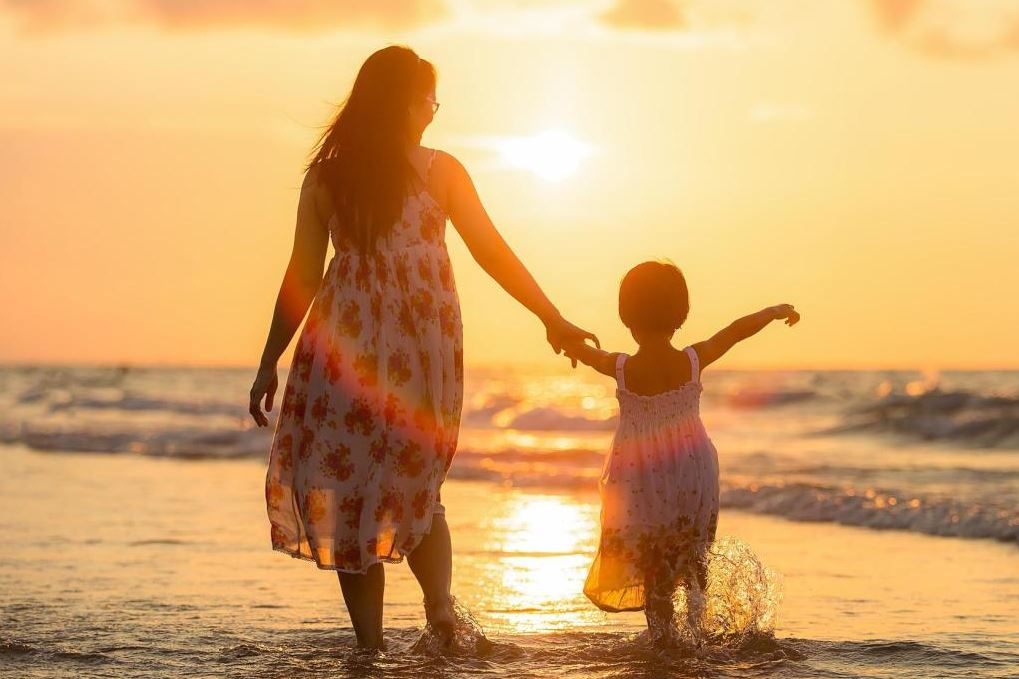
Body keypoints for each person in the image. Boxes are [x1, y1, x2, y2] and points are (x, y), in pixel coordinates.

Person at [248, 45, 597, 650]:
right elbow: (491, 250)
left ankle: (370, 647)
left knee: (350, 492)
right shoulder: (439, 171)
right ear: (406, 102)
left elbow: (302, 275)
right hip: (421, 350)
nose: (434, 111)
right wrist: (551, 318)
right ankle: (439, 614)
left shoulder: (328, 176)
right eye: (430, 99)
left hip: (343, 351)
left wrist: (269, 360)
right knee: (416, 482)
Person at [563, 260, 799, 642]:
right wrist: (773, 311)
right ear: (681, 314)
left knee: (654, 566)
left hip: (642, 480)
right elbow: (735, 332)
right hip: (693, 471)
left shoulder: (622, 367)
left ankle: (665, 640)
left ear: (627, 317)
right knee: (694, 557)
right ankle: (697, 633)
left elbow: (586, 353)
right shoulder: (692, 360)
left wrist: (564, 339)